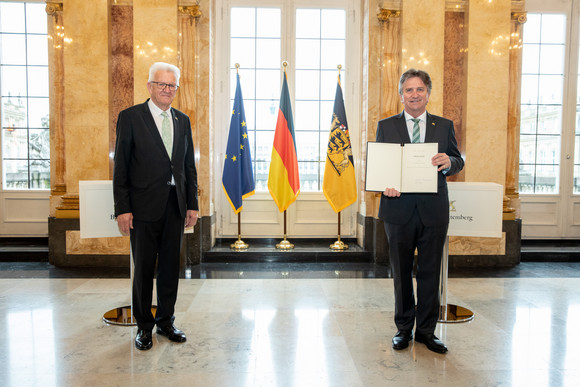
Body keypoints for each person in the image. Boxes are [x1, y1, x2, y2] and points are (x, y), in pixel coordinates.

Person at [376, 69, 464, 354]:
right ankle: (403, 329)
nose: (414, 95)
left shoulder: (444, 125)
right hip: (397, 209)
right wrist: (384, 184)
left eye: (420, 90)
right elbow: (381, 164)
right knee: (401, 272)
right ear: (401, 94)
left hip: (433, 210)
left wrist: (448, 161)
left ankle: (427, 331)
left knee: (430, 272)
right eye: (409, 90)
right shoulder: (386, 126)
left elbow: (458, 159)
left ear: (428, 93)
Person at [113, 62, 199, 350]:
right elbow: (121, 167)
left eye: (172, 85)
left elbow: (188, 166)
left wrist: (192, 204)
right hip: (143, 210)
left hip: (175, 208)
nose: (167, 90)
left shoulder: (182, 120)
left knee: (170, 269)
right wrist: (122, 208)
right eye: (161, 84)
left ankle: (165, 321)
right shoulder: (130, 117)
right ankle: (144, 327)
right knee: (144, 269)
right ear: (149, 86)